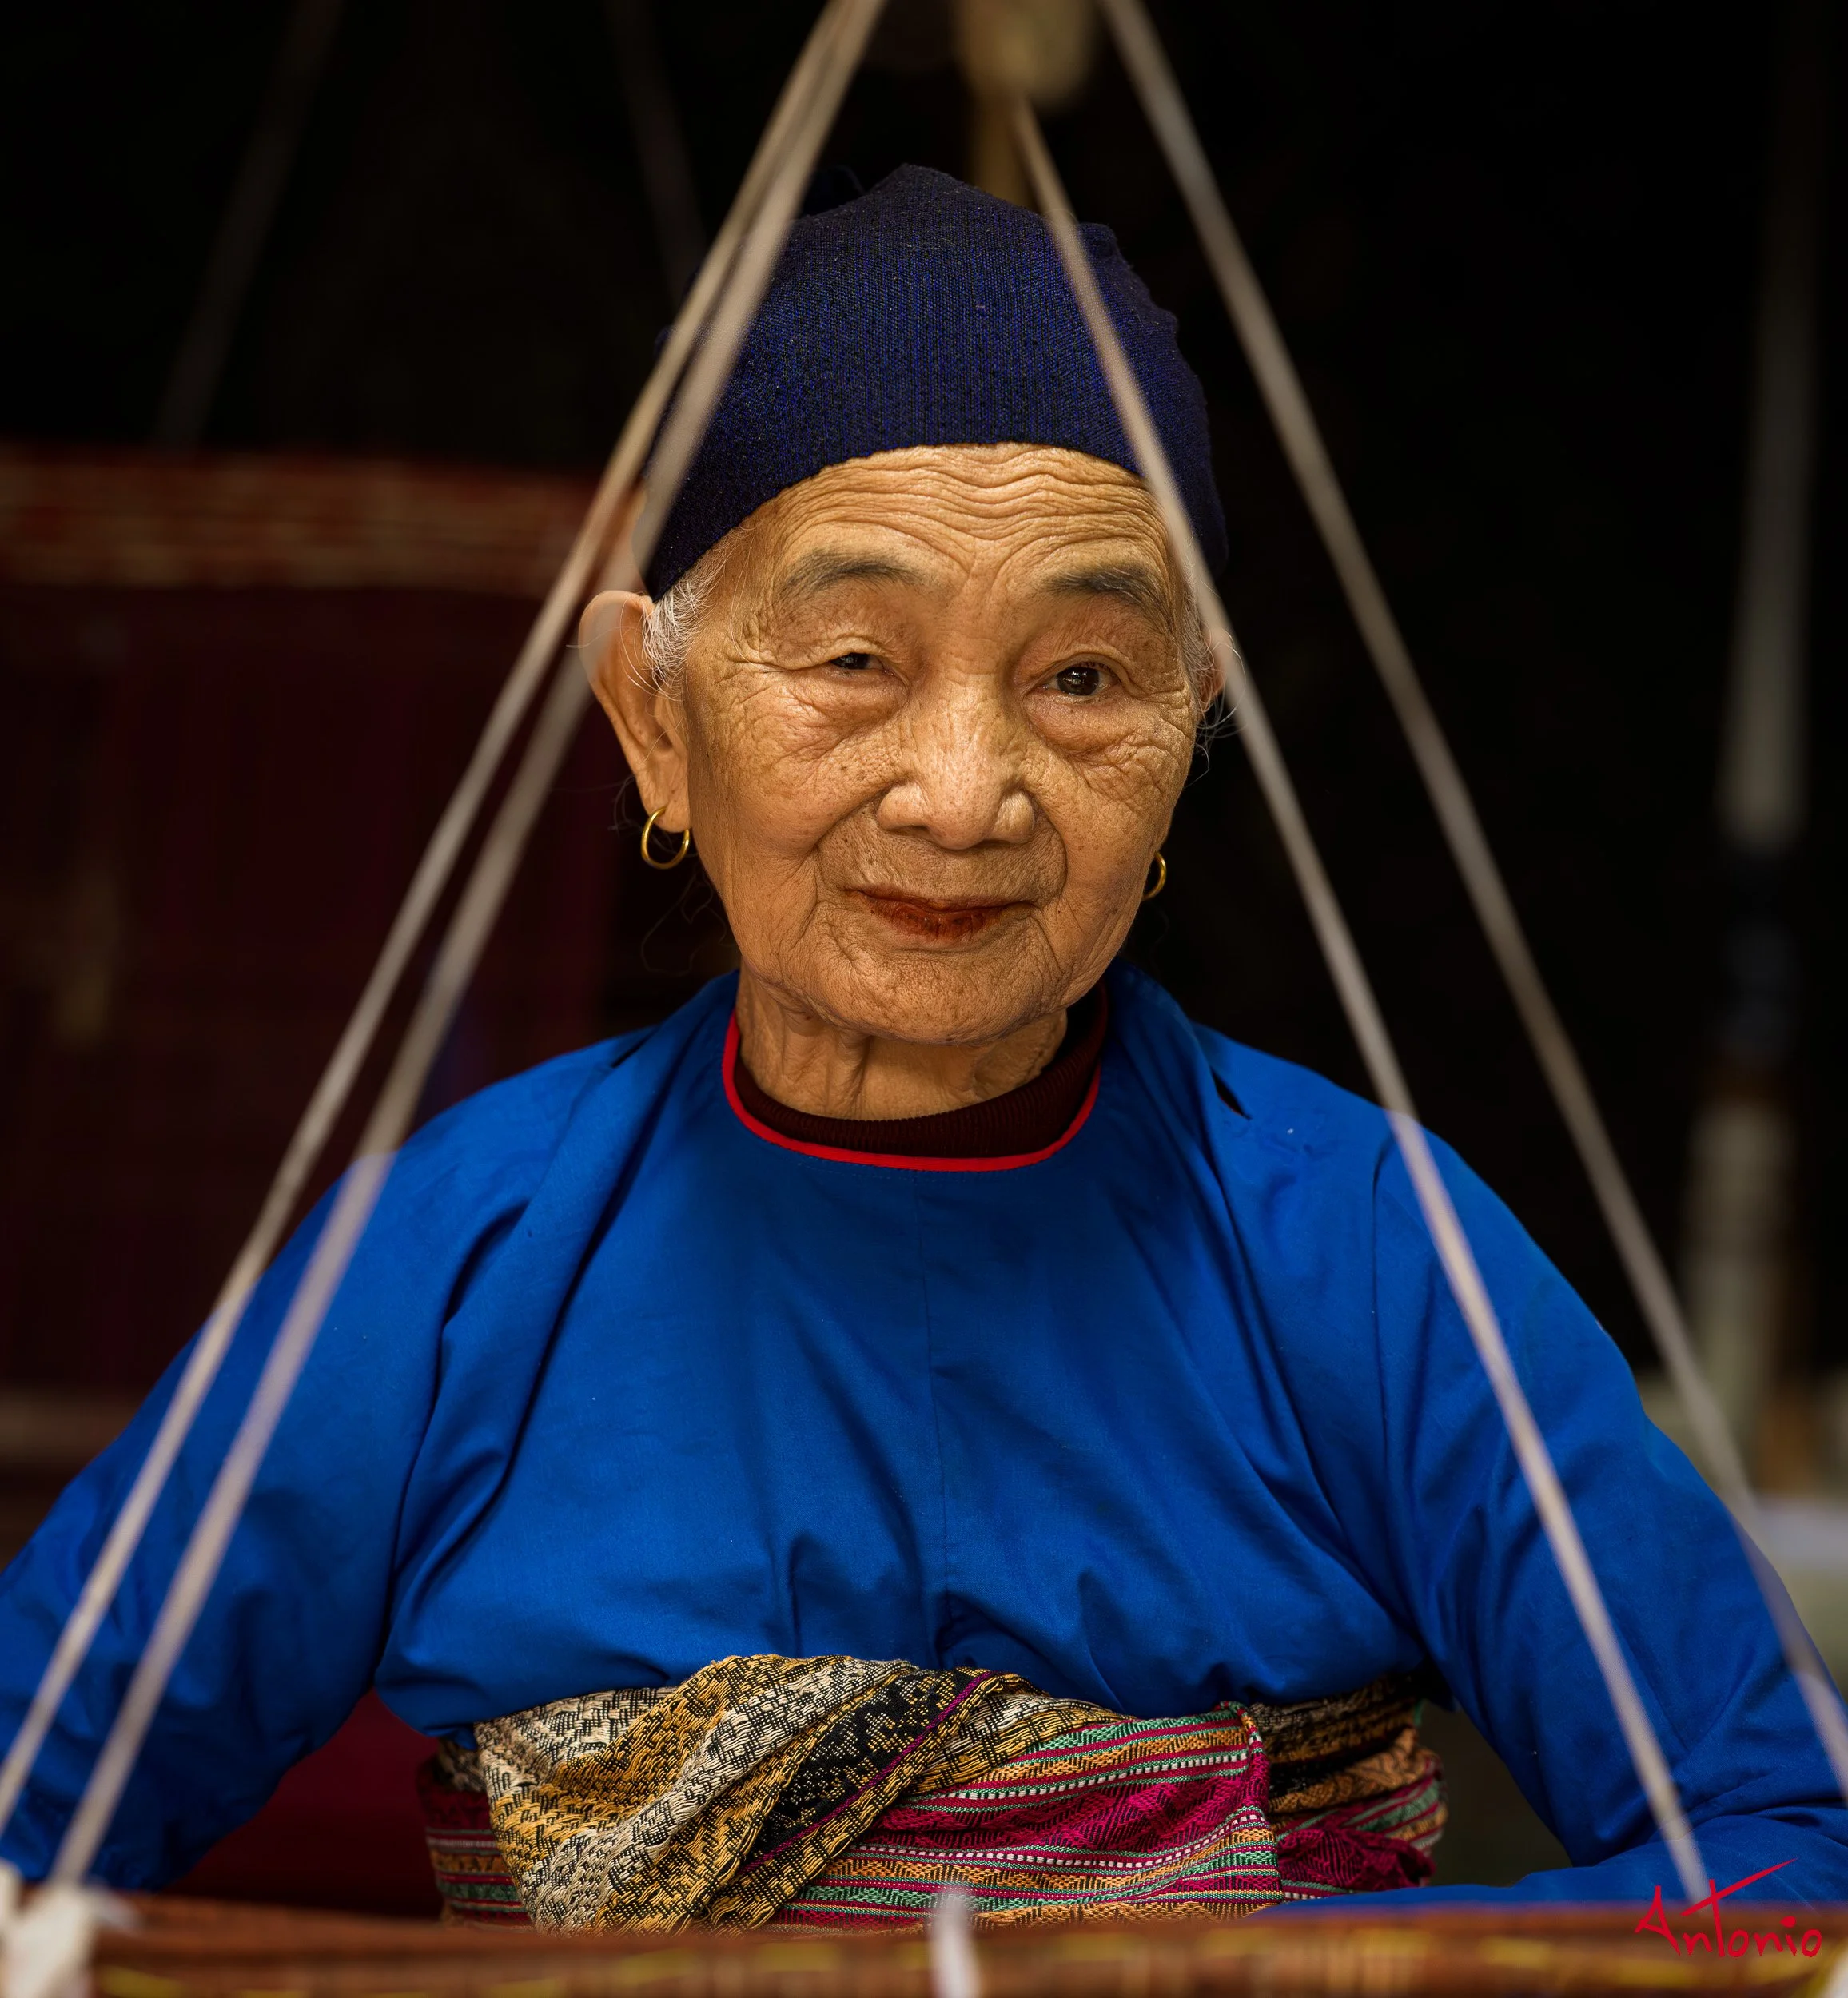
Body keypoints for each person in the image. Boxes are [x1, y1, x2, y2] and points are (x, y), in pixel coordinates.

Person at [0, 166, 1842, 1928]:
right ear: (651, 714)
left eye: (1083, 679)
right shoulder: (452, 1263)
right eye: (855, 661)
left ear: (1193, 725)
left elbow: (1787, 1857)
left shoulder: (1368, 1257)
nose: (964, 797)